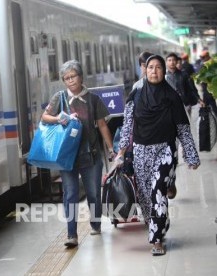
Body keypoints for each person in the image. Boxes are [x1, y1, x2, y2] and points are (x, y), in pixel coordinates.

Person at [115, 55, 200, 256]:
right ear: (145, 71)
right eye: (150, 67)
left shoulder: (172, 97)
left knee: (158, 192)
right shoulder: (135, 95)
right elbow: (127, 126)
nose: (154, 71)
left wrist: (191, 155)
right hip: (140, 152)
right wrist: (120, 152)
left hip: (165, 151)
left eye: (158, 67)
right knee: (146, 197)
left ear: (164, 71)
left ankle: (157, 240)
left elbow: (183, 128)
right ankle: (161, 223)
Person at [41, 60, 115, 247]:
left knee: (93, 193)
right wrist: (59, 118)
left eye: (73, 76)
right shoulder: (59, 98)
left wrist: (112, 148)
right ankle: (71, 234)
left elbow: (102, 125)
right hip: (67, 157)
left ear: (81, 77)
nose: (70, 81)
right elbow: (44, 117)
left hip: (91, 154)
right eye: (66, 78)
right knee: (70, 194)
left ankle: (96, 224)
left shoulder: (93, 99)